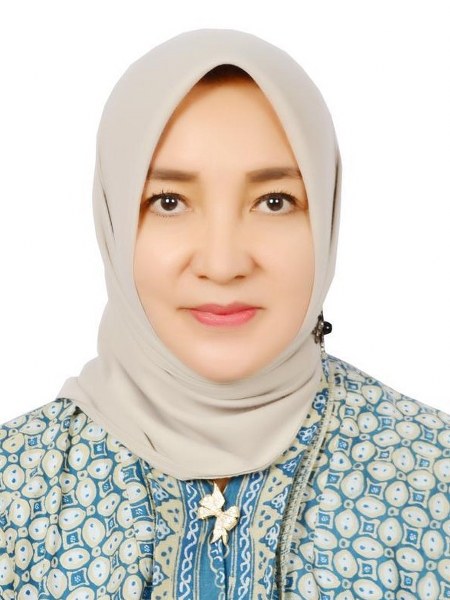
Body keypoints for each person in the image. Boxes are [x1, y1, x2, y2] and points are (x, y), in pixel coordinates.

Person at [0, 28, 449, 599]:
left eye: (274, 201)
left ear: (326, 215)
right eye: (168, 202)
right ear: (114, 222)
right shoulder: (16, 493)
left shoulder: (433, 476)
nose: (223, 263)